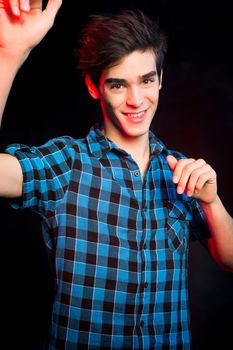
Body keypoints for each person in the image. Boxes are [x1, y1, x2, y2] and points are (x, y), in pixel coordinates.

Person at [0, 1, 233, 349]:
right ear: (95, 88)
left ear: (160, 80)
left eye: (146, 80)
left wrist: (212, 201)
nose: (136, 99)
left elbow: (229, 260)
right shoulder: (66, 164)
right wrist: (9, 54)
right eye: (118, 85)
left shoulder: (181, 173)